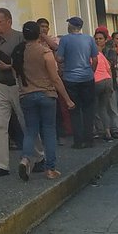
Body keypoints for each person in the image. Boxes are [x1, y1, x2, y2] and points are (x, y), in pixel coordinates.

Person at [13, 22, 75, 181]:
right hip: (47, 95)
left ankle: (25, 158)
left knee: (31, 130)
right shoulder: (45, 52)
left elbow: (16, 74)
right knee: (48, 131)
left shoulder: (19, 52)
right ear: (39, 34)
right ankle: (50, 169)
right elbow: (55, 78)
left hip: (26, 95)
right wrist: (67, 99)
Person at [0, 8, 42, 177]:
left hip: (17, 85)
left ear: (9, 21)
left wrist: (9, 66)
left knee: (25, 122)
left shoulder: (20, 38)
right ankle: (2, 164)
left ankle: (39, 156)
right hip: (1, 84)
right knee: (0, 125)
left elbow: (27, 62)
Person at [55, 17, 99, 149]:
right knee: (88, 109)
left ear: (71, 26)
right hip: (87, 77)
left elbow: (59, 58)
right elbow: (95, 59)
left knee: (74, 110)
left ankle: (78, 141)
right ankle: (89, 139)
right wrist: (91, 71)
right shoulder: (89, 39)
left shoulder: (65, 40)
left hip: (71, 78)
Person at [92, 30, 118, 142]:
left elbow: (111, 65)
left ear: (105, 40)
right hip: (107, 81)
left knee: (111, 107)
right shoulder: (96, 52)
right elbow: (108, 68)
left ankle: (114, 129)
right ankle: (105, 131)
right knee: (102, 108)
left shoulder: (108, 51)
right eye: (96, 39)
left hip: (103, 82)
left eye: (100, 38)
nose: (98, 41)